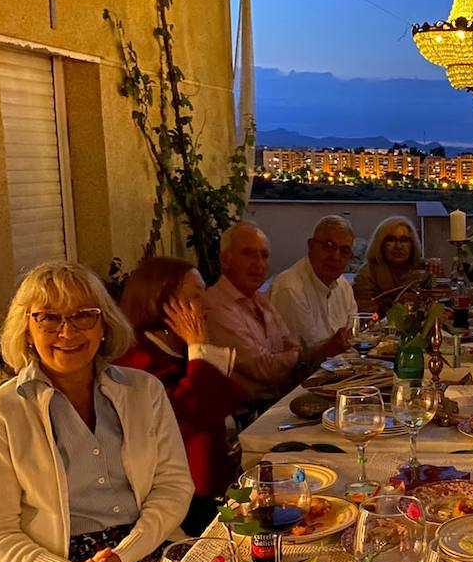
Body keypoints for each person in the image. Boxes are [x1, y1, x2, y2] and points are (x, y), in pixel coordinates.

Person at [0, 261, 193, 562]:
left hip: (144, 545)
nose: (67, 332)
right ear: (27, 330)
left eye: (84, 316)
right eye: (48, 318)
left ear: (104, 326)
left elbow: (173, 487)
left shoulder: (144, 392)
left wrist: (123, 556)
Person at [117, 256, 245, 534]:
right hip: (182, 504)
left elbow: (230, 399)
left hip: (219, 481)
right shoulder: (138, 360)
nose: (207, 304)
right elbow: (187, 417)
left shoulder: (175, 347)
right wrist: (199, 348)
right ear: (163, 305)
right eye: (196, 296)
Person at [202, 224, 303, 403]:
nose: (259, 264)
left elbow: (290, 342)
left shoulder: (259, 298)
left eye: (264, 256)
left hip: (276, 405)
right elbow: (261, 367)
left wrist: (288, 355)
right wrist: (296, 356)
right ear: (225, 260)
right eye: (248, 254)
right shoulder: (215, 305)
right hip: (246, 417)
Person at [267, 215, 356, 360]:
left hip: (340, 373)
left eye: (344, 251)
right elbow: (299, 361)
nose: (335, 256)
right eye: (328, 246)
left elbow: (352, 339)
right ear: (311, 246)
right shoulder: (291, 289)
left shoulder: (344, 286)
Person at [353, 215, 423, 313]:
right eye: (391, 240)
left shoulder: (422, 271)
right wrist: (394, 307)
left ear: (412, 244)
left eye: (404, 240)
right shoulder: (367, 275)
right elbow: (364, 316)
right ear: (380, 244)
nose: (398, 246)